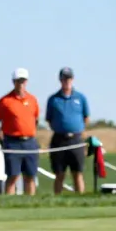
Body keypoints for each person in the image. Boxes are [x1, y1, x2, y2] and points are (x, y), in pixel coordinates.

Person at [0, 68, 40, 196]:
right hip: (12, 142)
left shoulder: (32, 100)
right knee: (13, 175)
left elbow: (36, 119)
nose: (21, 84)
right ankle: (10, 203)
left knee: (30, 176)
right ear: (14, 82)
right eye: (18, 81)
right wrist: (2, 140)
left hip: (29, 142)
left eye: (23, 81)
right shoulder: (5, 101)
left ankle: (30, 203)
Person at [46, 67, 90, 195]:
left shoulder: (80, 98)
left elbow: (86, 117)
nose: (66, 81)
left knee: (77, 173)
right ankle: (57, 200)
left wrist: (78, 130)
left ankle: (80, 199)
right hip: (59, 139)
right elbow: (49, 119)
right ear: (60, 80)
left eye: (69, 78)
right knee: (59, 174)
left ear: (73, 79)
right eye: (64, 78)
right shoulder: (53, 99)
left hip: (76, 139)